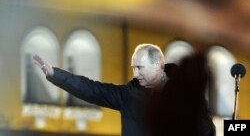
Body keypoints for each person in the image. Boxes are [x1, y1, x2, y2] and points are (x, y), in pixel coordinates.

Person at [33, 44, 215, 136]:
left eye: (140, 68)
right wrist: (55, 74)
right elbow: (90, 89)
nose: (135, 73)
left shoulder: (186, 94)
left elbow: (206, 130)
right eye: (133, 67)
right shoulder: (127, 94)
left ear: (158, 64)